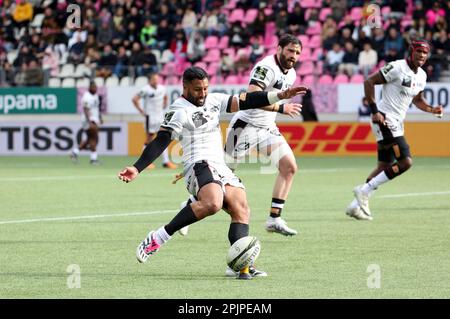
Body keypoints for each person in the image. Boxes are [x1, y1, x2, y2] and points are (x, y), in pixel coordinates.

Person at [117, 67, 305, 279]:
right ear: (185, 87)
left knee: (241, 207)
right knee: (213, 203)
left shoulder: (214, 100)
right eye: (197, 89)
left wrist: (279, 97)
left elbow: (247, 100)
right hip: (197, 163)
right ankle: (159, 237)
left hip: (220, 165)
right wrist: (137, 167)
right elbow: (161, 140)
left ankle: (241, 266)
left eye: (205, 88)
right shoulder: (179, 110)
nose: (203, 93)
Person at [346, 39, 444, 221]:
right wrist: (375, 111)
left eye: (425, 53)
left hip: (396, 123)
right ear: (411, 51)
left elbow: (417, 99)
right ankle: (364, 191)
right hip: (384, 119)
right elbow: (369, 82)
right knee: (405, 162)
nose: (421, 56)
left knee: (383, 166)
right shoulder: (397, 67)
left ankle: (355, 207)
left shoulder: (422, 75)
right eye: (418, 52)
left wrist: (432, 109)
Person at [131, 73, 177, 170]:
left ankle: (166, 162)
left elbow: (165, 96)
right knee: (149, 138)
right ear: (150, 80)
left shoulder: (162, 88)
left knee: (163, 137)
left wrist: (164, 103)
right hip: (150, 117)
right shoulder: (145, 89)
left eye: (157, 79)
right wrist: (141, 111)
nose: (156, 81)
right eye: (154, 79)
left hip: (160, 116)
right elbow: (135, 99)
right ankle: (145, 162)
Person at [70, 81, 103, 165]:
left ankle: (75, 152)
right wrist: (90, 121)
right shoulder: (86, 97)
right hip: (88, 120)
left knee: (89, 139)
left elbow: (96, 108)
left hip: (94, 119)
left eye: (96, 88)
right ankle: (93, 159)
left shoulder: (95, 95)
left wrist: (100, 117)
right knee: (94, 138)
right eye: (94, 88)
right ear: (90, 88)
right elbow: (85, 109)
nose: (96, 89)